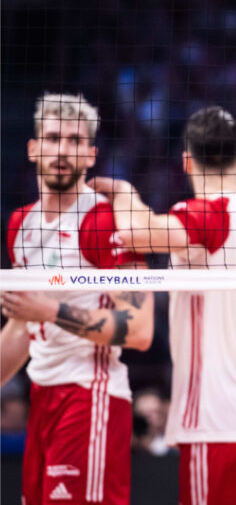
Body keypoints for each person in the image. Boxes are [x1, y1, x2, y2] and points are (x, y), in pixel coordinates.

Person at [91, 106, 236, 505]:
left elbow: (136, 234)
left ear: (186, 162)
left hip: (216, 423)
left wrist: (125, 193)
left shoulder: (208, 215)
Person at [1, 93, 154, 505]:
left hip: (92, 396)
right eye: (52, 138)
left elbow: (139, 331)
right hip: (43, 399)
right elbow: (22, 325)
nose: (62, 150)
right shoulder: (21, 225)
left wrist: (49, 310)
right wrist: (36, 315)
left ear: (90, 155)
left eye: (73, 141)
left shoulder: (105, 221)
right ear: (34, 149)